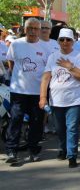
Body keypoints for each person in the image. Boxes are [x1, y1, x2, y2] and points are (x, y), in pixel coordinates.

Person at [39, 28, 80, 168]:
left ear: (73, 41)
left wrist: (70, 66)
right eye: (62, 39)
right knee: (60, 128)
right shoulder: (53, 57)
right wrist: (43, 97)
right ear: (58, 41)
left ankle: (72, 155)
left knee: (71, 127)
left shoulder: (79, 56)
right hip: (57, 99)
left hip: (75, 99)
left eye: (68, 39)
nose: (65, 42)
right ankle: (63, 149)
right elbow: (46, 78)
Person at [4, 18, 48, 163]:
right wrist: (14, 75)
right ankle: (11, 150)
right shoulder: (16, 44)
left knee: (36, 121)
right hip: (18, 90)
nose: (33, 31)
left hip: (37, 91)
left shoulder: (45, 47)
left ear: (40, 30)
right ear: (25, 29)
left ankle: (33, 149)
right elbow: (11, 61)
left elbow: (48, 70)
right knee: (15, 119)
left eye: (36, 29)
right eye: (30, 28)